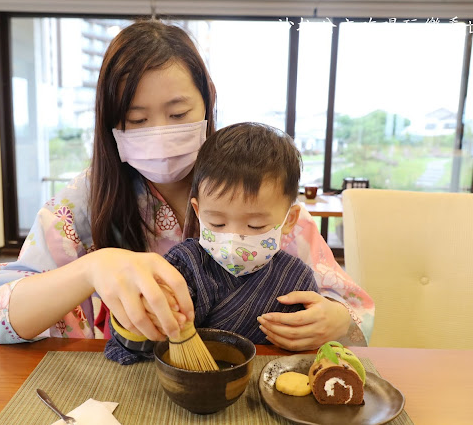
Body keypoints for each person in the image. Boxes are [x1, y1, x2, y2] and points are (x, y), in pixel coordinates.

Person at [0, 20, 374, 352]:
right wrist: (91, 268)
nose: (161, 135)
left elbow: (355, 309)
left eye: (178, 112)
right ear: (112, 125)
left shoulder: (260, 191)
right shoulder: (88, 199)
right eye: (137, 119)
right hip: (128, 383)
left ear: (207, 105)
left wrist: (335, 319)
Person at [105, 122, 324, 364]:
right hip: (185, 380)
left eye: (255, 227)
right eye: (217, 224)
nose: (233, 240)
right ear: (198, 211)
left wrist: (312, 334)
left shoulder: (296, 280)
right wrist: (142, 315)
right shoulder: (184, 264)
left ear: (289, 219)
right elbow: (142, 346)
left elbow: (308, 356)